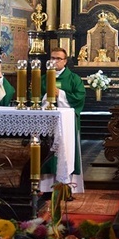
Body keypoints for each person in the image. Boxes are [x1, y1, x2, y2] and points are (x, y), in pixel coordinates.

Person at [41, 47, 85, 193]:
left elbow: (79, 98)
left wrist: (60, 94)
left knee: (65, 151)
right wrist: (46, 97)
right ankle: (46, 188)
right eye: (52, 58)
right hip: (47, 122)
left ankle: (66, 188)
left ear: (65, 61)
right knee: (47, 151)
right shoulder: (42, 78)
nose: (54, 61)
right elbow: (33, 95)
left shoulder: (74, 78)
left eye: (58, 59)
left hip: (66, 124)